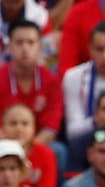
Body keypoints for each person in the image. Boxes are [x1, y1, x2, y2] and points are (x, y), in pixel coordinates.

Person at [0, 20, 64, 149]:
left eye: (30, 42)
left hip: (38, 145)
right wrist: (11, 148)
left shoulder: (51, 80)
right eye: (19, 43)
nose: (25, 48)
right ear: (9, 47)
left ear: (39, 46)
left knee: (59, 150)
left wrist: (28, 148)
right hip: (4, 145)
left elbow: (50, 128)